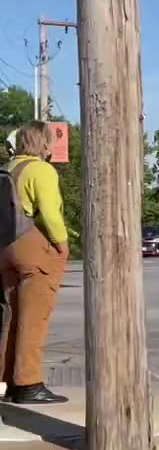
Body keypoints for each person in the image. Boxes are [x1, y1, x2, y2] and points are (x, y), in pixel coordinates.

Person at [0, 122, 69, 404]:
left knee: (10, 318)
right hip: (31, 247)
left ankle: (7, 382)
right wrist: (61, 245)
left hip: (4, 248)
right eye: (49, 140)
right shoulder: (40, 169)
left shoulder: (9, 168)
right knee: (34, 319)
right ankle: (29, 383)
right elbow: (50, 214)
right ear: (41, 142)